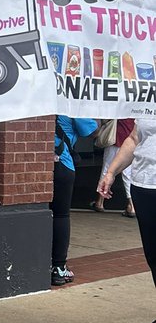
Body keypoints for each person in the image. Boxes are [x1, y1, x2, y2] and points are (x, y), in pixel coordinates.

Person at [98, 120, 156, 323]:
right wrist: (111, 172)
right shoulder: (145, 103)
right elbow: (134, 138)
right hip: (143, 185)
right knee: (153, 255)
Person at [50, 114, 97, 287]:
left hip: (39, 162)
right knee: (61, 215)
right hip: (62, 162)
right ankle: (58, 267)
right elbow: (92, 131)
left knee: (43, 212)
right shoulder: (72, 103)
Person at [91, 117, 135, 216]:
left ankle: (100, 202)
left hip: (115, 138)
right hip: (130, 138)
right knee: (128, 174)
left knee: (107, 170)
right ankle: (132, 205)